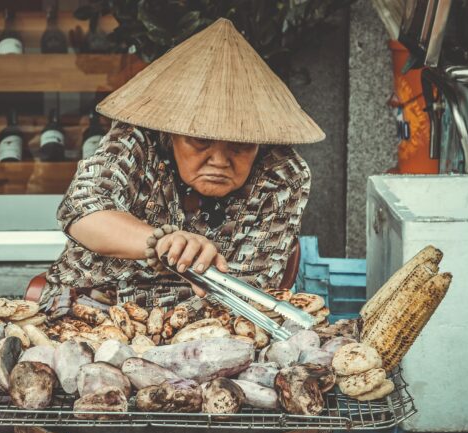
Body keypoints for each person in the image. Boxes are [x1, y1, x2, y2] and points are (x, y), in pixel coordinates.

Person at [40, 18, 325, 317]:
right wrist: (161, 241)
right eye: (200, 141)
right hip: (90, 307)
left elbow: (250, 288)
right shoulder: (136, 140)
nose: (219, 160)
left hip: (208, 325)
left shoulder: (283, 174)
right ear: (172, 131)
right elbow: (82, 210)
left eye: (240, 145)